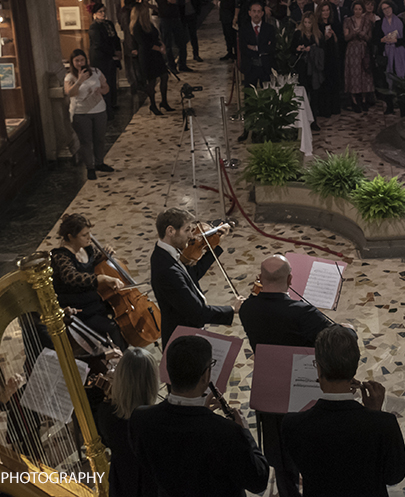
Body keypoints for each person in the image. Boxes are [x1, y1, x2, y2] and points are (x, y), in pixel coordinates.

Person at [238, 255, 333, 497]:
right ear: (290, 279)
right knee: (309, 446)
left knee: (278, 452)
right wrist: (349, 331)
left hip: (268, 387)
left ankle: (287, 489)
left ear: (260, 278)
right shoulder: (304, 313)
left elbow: (250, 304)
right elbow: (334, 339)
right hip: (302, 388)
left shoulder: (247, 309)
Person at [129, 336, 269, 497]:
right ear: (205, 376)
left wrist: (198, 413)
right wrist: (245, 433)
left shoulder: (140, 419)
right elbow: (259, 481)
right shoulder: (227, 432)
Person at [281, 326, 405, 497]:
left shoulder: (292, 424)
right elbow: (394, 476)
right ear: (354, 368)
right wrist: (375, 413)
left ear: (318, 368)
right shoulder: (384, 424)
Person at [149, 207, 241, 348]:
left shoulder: (165, 254)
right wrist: (231, 309)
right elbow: (197, 313)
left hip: (186, 333)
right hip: (182, 341)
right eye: (187, 230)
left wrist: (215, 248)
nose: (192, 236)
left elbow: (193, 275)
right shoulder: (167, 269)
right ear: (170, 231)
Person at [50, 213, 125, 348]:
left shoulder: (87, 249)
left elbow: (94, 264)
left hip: (94, 300)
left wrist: (104, 256)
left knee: (122, 320)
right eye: (84, 235)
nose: (89, 238)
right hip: (79, 307)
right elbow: (72, 277)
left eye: (89, 233)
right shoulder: (60, 256)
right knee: (112, 328)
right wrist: (101, 278)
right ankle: (122, 362)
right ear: (70, 237)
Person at [97, 347, 159, 497]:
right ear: (151, 383)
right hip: (151, 487)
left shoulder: (106, 413)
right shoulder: (155, 420)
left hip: (122, 483)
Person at [64, 48, 112, 181]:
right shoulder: (70, 77)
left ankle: (99, 163)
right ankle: (90, 167)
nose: (80, 63)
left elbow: (106, 87)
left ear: (86, 60)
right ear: (72, 62)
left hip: (99, 110)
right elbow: (70, 93)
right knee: (86, 141)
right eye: (77, 61)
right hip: (81, 113)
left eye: (82, 60)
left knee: (100, 138)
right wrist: (79, 81)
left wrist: (101, 90)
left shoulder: (96, 72)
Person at [129, 0, 172, 116]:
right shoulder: (137, 27)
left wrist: (161, 44)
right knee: (151, 80)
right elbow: (144, 43)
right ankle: (152, 104)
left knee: (164, 76)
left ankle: (164, 101)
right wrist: (159, 49)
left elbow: (156, 36)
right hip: (147, 55)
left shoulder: (148, 24)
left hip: (156, 54)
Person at [147, 0, 191, 73]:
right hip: (164, 19)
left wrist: (175, 1)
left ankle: (182, 64)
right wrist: (153, 7)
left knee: (181, 42)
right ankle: (171, 65)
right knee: (167, 43)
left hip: (176, 18)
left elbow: (182, 1)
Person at [88, 3, 122, 117]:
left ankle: (112, 103)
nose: (102, 14)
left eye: (103, 11)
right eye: (100, 12)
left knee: (112, 80)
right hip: (100, 58)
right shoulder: (94, 27)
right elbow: (98, 44)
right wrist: (113, 52)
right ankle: (106, 109)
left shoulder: (109, 24)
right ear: (94, 15)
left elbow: (115, 38)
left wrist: (118, 50)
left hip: (110, 56)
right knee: (104, 81)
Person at [374, 0, 405, 114]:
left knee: (400, 81)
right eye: (384, 9)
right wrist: (382, 40)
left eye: (388, 7)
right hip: (386, 55)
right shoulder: (378, 24)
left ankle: (403, 107)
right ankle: (389, 106)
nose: (387, 10)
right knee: (386, 81)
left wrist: (396, 40)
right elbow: (375, 40)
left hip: (399, 54)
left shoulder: (400, 21)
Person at [343, 0, 374, 112]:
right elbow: (346, 37)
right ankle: (354, 101)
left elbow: (369, 37)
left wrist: (361, 34)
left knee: (364, 74)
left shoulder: (367, 21)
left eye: (359, 9)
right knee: (353, 74)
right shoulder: (348, 21)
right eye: (356, 9)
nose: (357, 11)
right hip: (352, 51)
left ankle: (364, 100)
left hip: (363, 50)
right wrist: (353, 33)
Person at [316, 3, 343, 117]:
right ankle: (324, 109)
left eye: (327, 10)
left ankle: (334, 107)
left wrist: (334, 37)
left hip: (333, 56)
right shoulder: (317, 26)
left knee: (334, 81)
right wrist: (325, 38)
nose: (326, 13)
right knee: (324, 83)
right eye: (323, 10)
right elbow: (317, 43)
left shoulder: (334, 24)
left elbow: (339, 42)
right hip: (323, 57)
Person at [241, 2, 276, 87]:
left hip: (265, 67)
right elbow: (243, 48)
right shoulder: (244, 29)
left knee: (268, 95)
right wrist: (263, 49)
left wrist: (255, 48)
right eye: (254, 11)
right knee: (249, 96)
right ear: (250, 13)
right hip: (250, 66)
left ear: (262, 13)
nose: (256, 14)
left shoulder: (269, 29)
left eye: (259, 11)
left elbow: (272, 48)